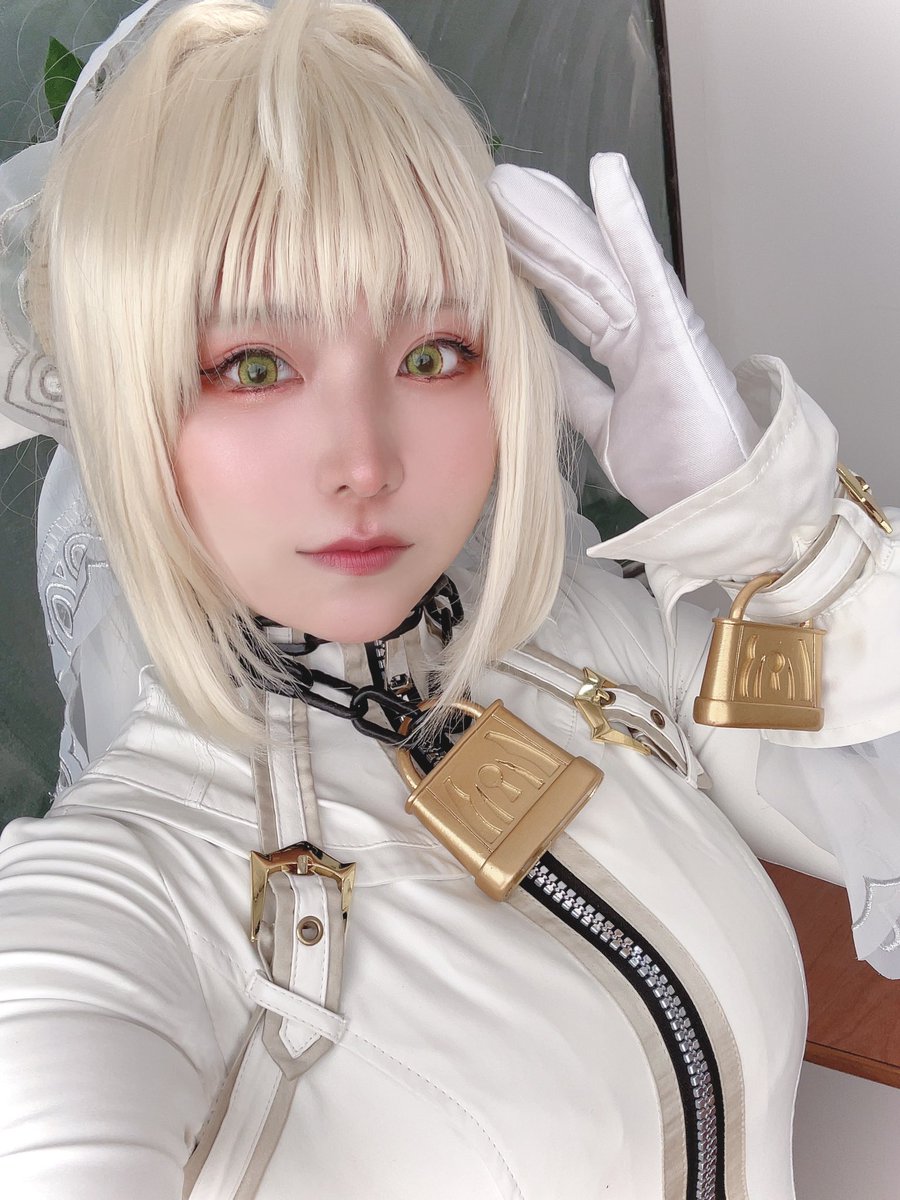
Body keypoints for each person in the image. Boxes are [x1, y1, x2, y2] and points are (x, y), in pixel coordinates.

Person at [1, 1, 900, 1197]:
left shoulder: (590, 646)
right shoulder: (118, 895)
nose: (366, 460)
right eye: (253, 367)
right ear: (125, 405)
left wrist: (779, 535)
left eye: (432, 355)